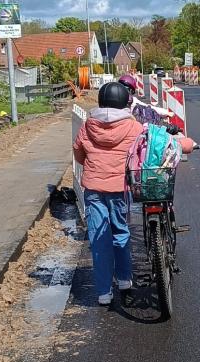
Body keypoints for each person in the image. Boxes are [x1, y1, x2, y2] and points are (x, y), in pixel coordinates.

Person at [73, 82, 142, 306]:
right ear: (125, 101)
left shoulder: (88, 125)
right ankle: (124, 280)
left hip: (94, 189)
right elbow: (139, 153)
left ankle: (103, 292)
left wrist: (93, 168)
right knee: (120, 232)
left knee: (99, 238)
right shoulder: (133, 127)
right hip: (120, 188)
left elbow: (78, 152)